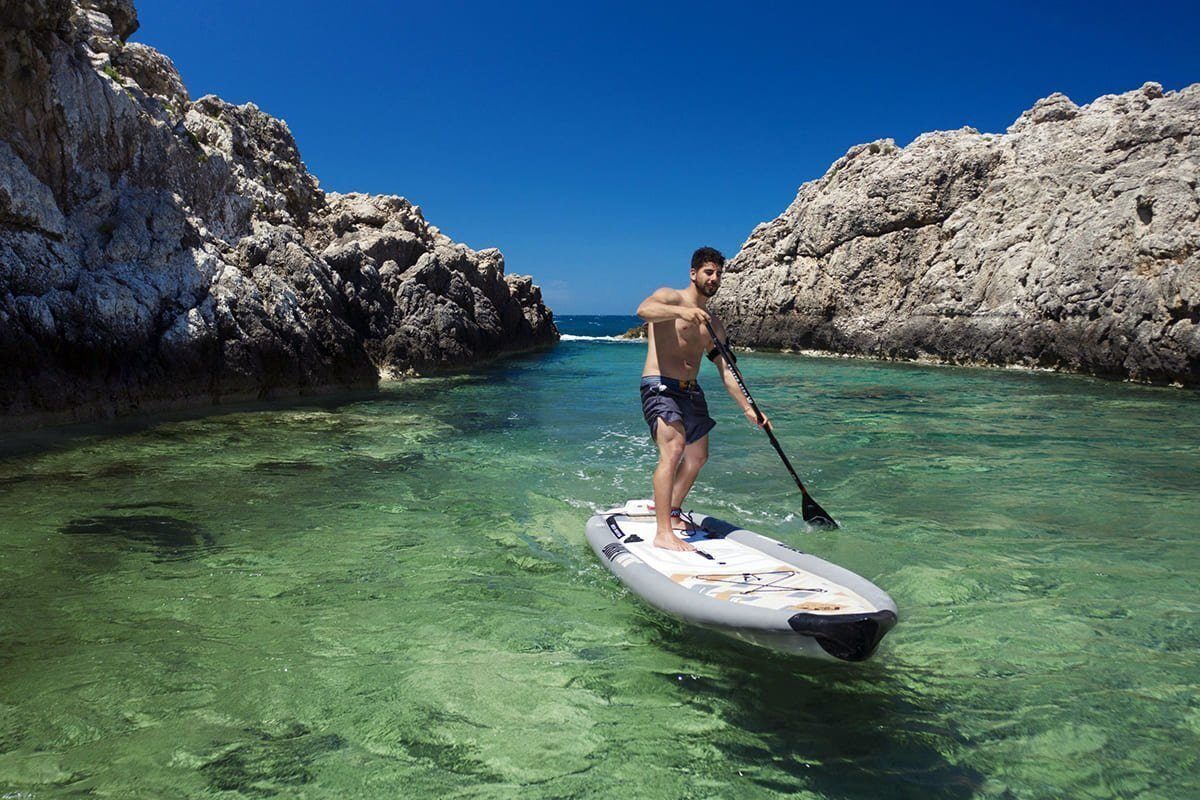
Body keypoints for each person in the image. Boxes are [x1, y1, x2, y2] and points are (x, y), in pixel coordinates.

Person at [635, 246, 768, 551]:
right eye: (709, 272)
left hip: (690, 390)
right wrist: (681, 311)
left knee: (698, 456)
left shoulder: (713, 325)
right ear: (693, 274)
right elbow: (643, 310)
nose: (714, 278)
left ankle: (672, 509)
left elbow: (726, 370)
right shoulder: (670, 298)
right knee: (674, 448)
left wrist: (749, 408)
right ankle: (663, 533)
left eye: (719, 273)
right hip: (660, 385)